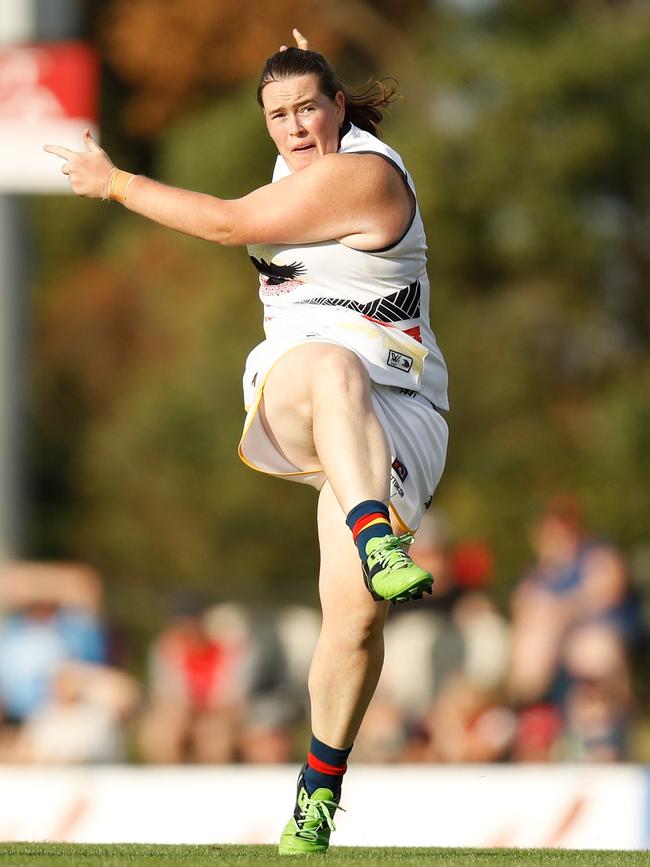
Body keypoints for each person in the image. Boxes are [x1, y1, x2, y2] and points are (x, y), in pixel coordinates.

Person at [45, 29, 449, 855]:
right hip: (306, 385)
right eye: (279, 114)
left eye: (310, 108)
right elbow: (253, 201)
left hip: (405, 409)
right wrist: (304, 62)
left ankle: (317, 794)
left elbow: (230, 226)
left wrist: (113, 180)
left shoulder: (364, 176)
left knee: (358, 621)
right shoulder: (302, 155)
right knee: (330, 365)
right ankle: (376, 533)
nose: (295, 128)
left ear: (341, 108)